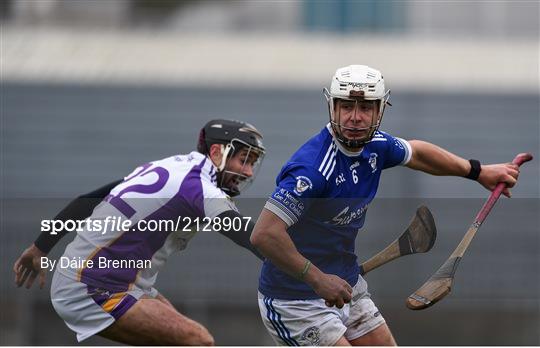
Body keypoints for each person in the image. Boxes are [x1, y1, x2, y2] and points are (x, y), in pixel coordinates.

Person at [250, 65, 520, 346]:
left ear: (380, 110)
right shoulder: (313, 169)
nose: (355, 117)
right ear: (332, 107)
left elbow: (418, 154)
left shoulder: (376, 146)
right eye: (346, 107)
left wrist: (477, 172)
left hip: (347, 286)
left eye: (365, 108)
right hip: (295, 302)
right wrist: (317, 279)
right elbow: (265, 234)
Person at [14, 119, 266, 345]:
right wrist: (302, 270)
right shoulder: (199, 188)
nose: (248, 172)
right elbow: (255, 239)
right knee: (198, 340)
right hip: (91, 286)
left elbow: (90, 198)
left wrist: (40, 247)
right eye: (244, 159)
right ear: (216, 152)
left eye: (252, 163)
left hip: (111, 280)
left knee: (180, 339)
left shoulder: (171, 165)